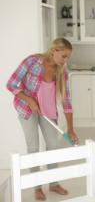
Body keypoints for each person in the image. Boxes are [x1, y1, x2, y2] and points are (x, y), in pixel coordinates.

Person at [7, 37, 79, 200]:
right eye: (64, 56)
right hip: (27, 109)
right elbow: (11, 83)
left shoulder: (63, 72)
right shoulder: (32, 62)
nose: (65, 60)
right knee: (33, 147)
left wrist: (70, 128)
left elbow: (66, 101)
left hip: (47, 111)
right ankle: (37, 186)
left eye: (68, 57)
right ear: (54, 51)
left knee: (53, 145)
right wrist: (30, 100)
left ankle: (53, 183)